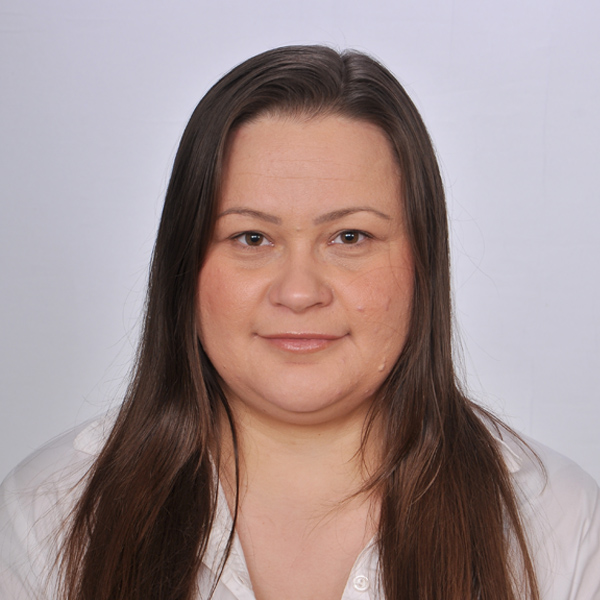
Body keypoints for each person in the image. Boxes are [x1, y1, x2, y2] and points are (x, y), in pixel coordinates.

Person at [0, 45, 599, 600]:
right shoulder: (47, 511)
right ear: (184, 264)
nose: (299, 292)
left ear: (423, 263)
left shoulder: (556, 518)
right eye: (251, 238)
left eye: (350, 236)